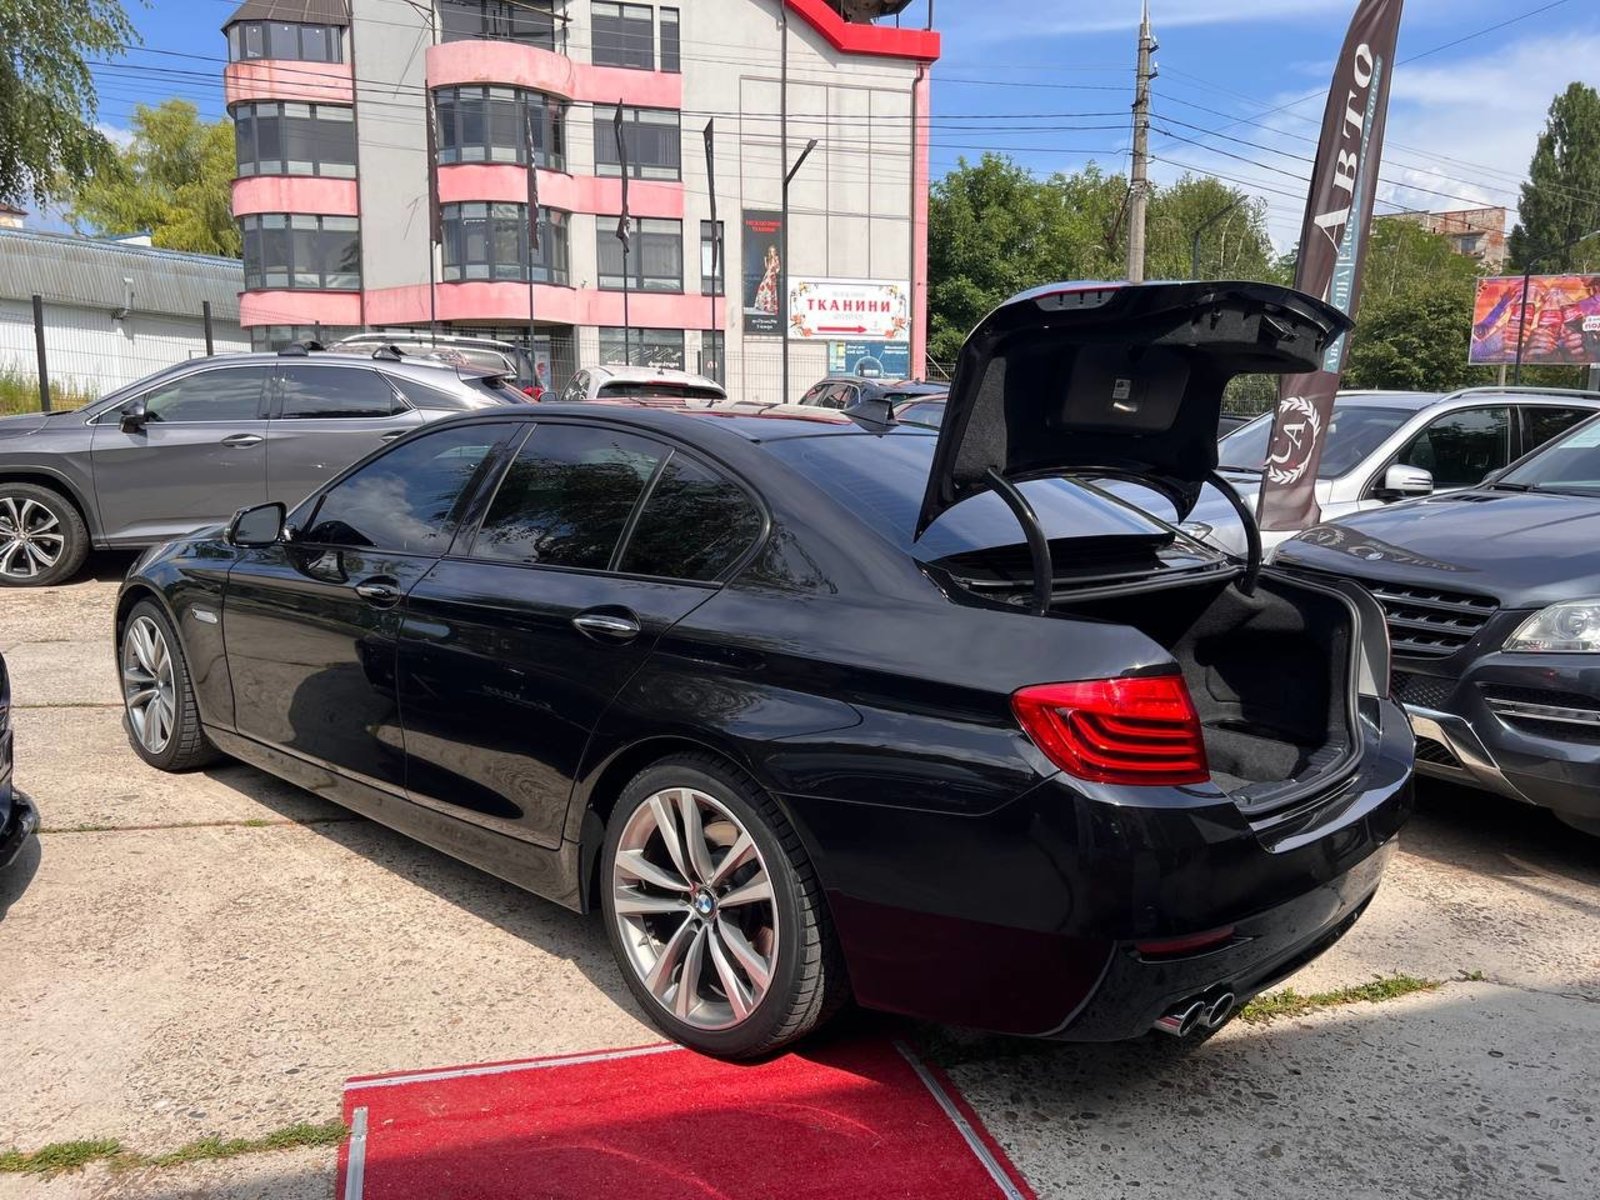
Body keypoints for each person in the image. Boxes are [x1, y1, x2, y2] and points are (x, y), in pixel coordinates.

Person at [754, 244, 781, 316]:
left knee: (770, 291)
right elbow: (767, 268)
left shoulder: (776, 258)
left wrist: (774, 271)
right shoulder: (769, 259)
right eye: (771, 251)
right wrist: (765, 261)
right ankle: (761, 305)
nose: (772, 253)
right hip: (767, 275)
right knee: (762, 289)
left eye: (773, 251)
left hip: (772, 276)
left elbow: (778, 269)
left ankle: (770, 307)